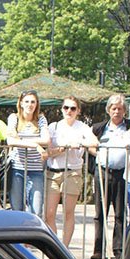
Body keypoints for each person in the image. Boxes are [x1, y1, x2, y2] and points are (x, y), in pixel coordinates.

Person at [44, 96, 99, 248]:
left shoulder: (82, 127)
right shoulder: (54, 126)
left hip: (73, 172)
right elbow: (47, 151)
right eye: (66, 107)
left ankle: (65, 248)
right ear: (61, 109)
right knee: (49, 213)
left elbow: (94, 142)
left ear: (78, 111)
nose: (69, 111)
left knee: (68, 212)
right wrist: (62, 148)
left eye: (73, 108)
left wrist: (79, 143)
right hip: (53, 172)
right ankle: (54, 247)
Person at [89, 94, 130, 259]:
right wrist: (97, 152)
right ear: (108, 110)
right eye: (114, 108)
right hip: (103, 172)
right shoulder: (99, 128)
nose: (117, 111)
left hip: (122, 174)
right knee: (100, 214)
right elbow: (89, 144)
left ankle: (119, 250)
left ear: (125, 111)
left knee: (120, 214)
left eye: (120, 109)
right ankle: (98, 250)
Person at [6, 90, 49, 215]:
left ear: (36, 104)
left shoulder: (41, 119)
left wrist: (22, 141)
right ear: (21, 103)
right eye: (27, 101)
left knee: (36, 210)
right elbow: (10, 140)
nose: (30, 105)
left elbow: (46, 140)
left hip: (35, 169)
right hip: (17, 168)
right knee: (17, 209)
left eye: (33, 102)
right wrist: (36, 145)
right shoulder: (14, 118)